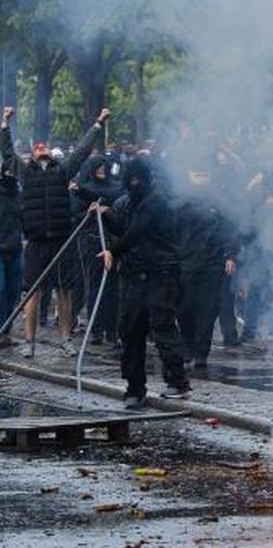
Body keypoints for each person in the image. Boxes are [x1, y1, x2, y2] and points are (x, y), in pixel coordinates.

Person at [1, 106, 106, 358]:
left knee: (63, 292)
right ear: (32, 156)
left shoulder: (63, 170)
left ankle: (65, 339)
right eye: (36, 147)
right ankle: (29, 341)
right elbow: (7, 151)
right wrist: (5, 123)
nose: (40, 147)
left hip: (61, 240)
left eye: (43, 146)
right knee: (32, 293)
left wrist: (98, 124)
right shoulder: (25, 173)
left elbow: (82, 151)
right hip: (37, 241)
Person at [96, 157, 191, 407]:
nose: (134, 183)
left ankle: (178, 382)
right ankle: (134, 388)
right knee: (130, 330)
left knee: (162, 326)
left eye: (138, 179)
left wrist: (112, 251)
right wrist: (105, 215)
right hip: (133, 274)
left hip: (161, 272)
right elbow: (125, 229)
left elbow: (138, 231)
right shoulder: (127, 202)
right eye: (131, 179)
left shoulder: (156, 202)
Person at [175, 165, 239, 372]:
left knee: (208, 309)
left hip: (212, 264)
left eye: (205, 174)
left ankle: (202, 353)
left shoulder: (219, 202)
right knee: (185, 308)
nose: (202, 178)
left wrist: (230, 255)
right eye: (198, 174)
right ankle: (187, 347)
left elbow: (229, 229)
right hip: (186, 262)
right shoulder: (180, 203)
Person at [73, 152, 125, 347]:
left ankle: (112, 330)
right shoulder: (84, 188)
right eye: (98, 167)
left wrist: (108, 211)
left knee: (113, 288)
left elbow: (119, 207)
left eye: (104, 167)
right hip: (92, 240)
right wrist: (89, 212)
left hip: (113, 242)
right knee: (96, 286)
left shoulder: (116, 188)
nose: (102, 170)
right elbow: (75, 215)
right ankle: (96, 329)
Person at [0, 107, 21, 346]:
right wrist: (5, 124)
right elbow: (7, 153)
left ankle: (5, 330)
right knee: (1, 290)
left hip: (15, 246)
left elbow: (10, 156)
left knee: (14, 293)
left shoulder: (18, 191)